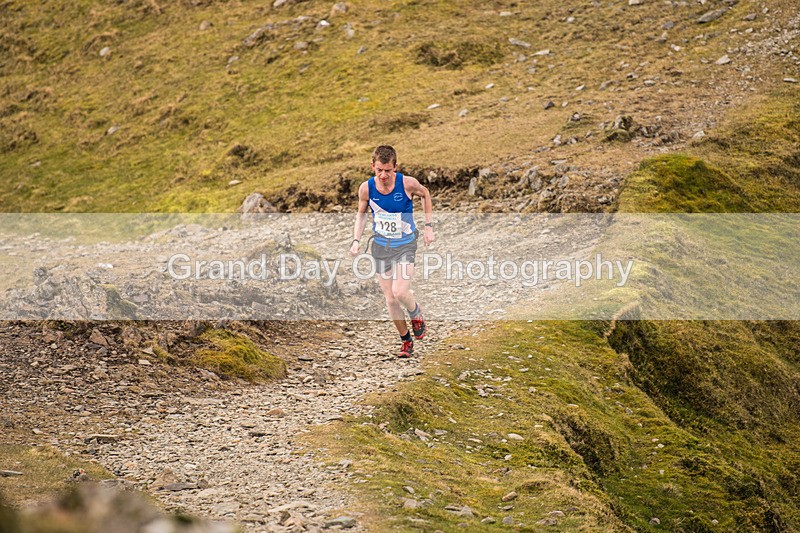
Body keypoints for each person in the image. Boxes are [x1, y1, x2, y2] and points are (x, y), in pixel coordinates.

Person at [350, 145, 435, 358]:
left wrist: (428, 227)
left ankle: (415, 312)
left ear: (395, 167)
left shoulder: (407, 183)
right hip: (381, 247)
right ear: (372, 166)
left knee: (400, 292)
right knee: (390, 299)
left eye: (388, 170)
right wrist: (356, 240)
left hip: (405, 244)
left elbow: (425, 194)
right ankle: (406, 341)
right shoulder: (366, 189)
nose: (383, 175)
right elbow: (361, 215)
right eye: (379, 170)